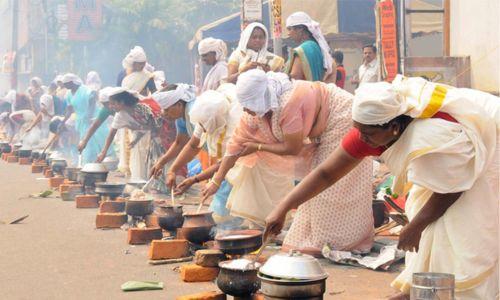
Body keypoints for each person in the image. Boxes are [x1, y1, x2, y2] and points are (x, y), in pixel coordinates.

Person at [265, 76, 499, 299]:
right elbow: (326, 174)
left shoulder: (429, 134)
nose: (361, 139)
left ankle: (463, 293)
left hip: (487, 141)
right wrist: (283, 207)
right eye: (358, 130)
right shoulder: (372, 127)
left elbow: (452, 188)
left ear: (394, 128)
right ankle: (421, 290)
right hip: (449, 161)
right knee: (426, 218)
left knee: (463, 228)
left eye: (366, 134)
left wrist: (415, 227)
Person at [202, 69, 373, 254]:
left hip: (341, 118)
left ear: (260, 97)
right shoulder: (254, 113)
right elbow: (235, 147)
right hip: (323, 128)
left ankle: (340, 241)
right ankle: (316, 238)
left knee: (329, 185)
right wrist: (215, 181)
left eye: (248, 104)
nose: (245, 109)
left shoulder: (287, 104)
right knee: (314, 186)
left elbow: (293, 148)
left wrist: (258, 147)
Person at [165, 84, 242, 222]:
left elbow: (226, 162)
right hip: (225, 167)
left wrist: (196, 179)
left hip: (241, 166)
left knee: (226, 212)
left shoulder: (234, 125)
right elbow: (193, 144)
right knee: (221, 211)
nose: (203, 130)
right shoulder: (204, 113)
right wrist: (172, 170)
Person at [96, 88, 176, 182]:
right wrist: (103, 152)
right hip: (155, 137)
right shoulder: (120, 114)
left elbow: (155, 125)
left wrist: (141, 130)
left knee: (166, 162)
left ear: (121, 102)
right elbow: (112, 133)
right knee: (153, 165)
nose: (110, 106)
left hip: (166, 134)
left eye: (113, 103)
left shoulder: (142, 107)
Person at [60, 73, 111, 164]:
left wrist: (89, 114)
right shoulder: (68, 94)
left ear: (72, 82)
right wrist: (63, 122)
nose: (64, 86)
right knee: (83, 141)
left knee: (90, 141)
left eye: (66, 84)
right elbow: (69, 110)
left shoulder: (84, 89)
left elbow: (93, 97)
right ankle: (88, 162)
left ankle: (88, 163)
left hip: (92, 118)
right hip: (80, 121)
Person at [149, 84, 197, 178]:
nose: (164, 114)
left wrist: (172, 170)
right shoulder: (180, 117)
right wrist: (161, 162)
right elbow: (179, 143)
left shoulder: (193, 112)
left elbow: (194, 146)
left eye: (167, 110)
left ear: (179, 105)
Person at [285, 12, 333, 82]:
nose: (288, 33)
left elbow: (295, 77)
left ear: (300, 29)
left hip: (303, 91)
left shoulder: (302, 49)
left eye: (290, 29)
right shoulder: (316, 46)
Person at [77, 87, 117, 153]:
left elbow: (112, 132)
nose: (108, 107)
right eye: (104, 105)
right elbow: (95, 125)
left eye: (108, 104)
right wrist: (84, 141)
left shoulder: (124, 105)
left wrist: (104, 151)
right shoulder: (106, 109)